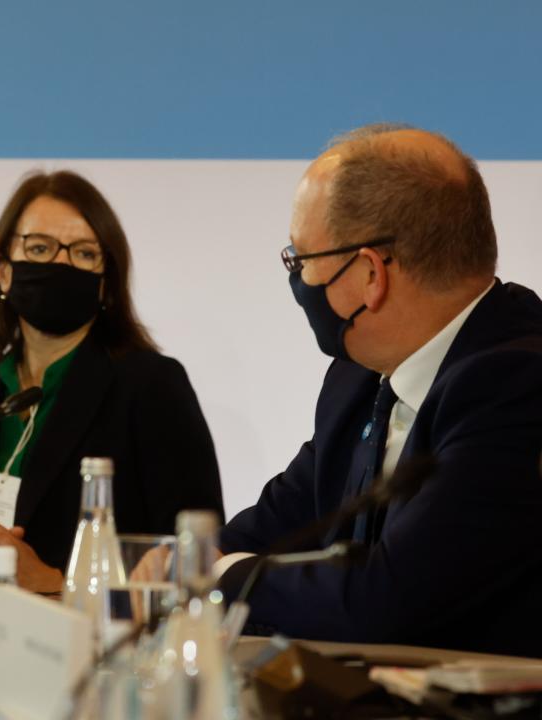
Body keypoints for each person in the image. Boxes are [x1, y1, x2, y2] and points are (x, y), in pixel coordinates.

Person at [215, 124, 542, 657]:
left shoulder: (517, 384)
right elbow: (278, 524)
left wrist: (225, 580)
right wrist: (186, 564)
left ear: (370, 273)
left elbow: (385, 602)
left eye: (301, 258)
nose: (297, 278)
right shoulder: (358, 377)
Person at [0, 170, 224, 591]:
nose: (61, 264)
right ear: (4, 271)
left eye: (84, 254)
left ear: (105, 285)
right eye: (40, 248)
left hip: (97, 643)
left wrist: (57, 583)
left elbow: (193, 554)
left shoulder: (152, 385)